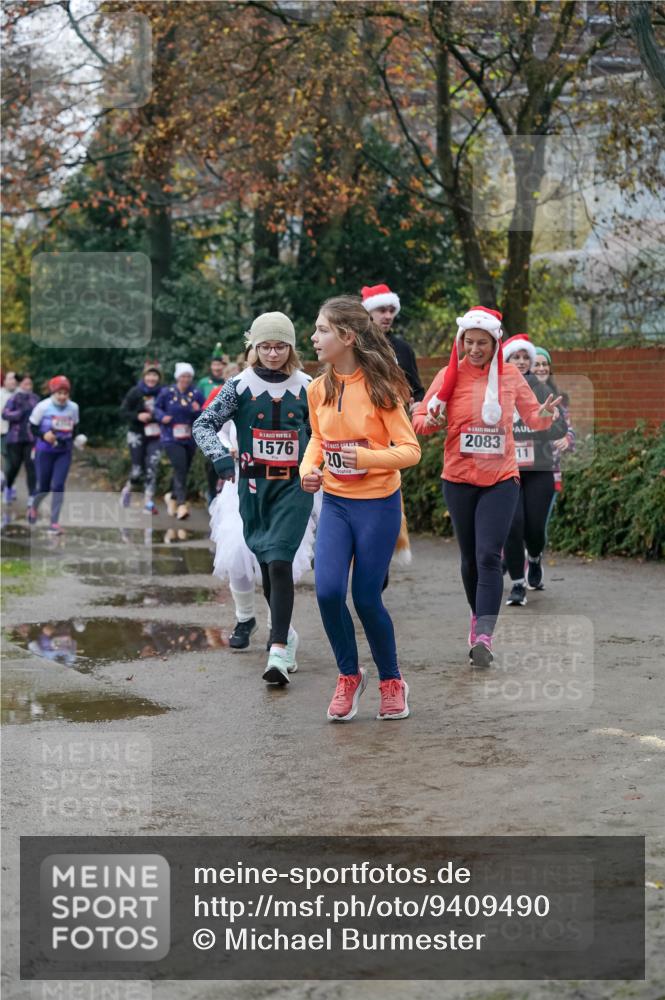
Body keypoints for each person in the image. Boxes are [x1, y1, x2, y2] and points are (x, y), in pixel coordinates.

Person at [413, 307, 562, 668]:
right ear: (461, 342)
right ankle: (476, 616)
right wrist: (429, 419)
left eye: (483, 342)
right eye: (470, 341)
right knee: (469, 560)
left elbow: (533, 420)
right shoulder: (449, 376)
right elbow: (419, 422)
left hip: (501, 479)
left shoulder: (510, 376)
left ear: (495, 343)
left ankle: (484, 635)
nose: (476, 348)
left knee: (488, 556)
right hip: (459, 479)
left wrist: (546, 414)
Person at [301, 295, 421, 722]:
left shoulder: (381, 388)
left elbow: (410, 451)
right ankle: (349, 676)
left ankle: (392, 681)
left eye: (321, 330)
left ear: (347, 337)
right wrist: (308, 469)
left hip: (378, 505)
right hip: (335, 503)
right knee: (329, 590)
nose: (313, 338)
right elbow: (317, 437)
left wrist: (365, 459)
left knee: (367, 598)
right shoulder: (318, 388)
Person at [193, 311, 313, 685]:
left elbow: (327, 430)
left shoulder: (310, 385)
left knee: (279, 561)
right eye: (265, 347)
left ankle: (278, 650)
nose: (273, 354)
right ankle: (285, 632)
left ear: (291, 347)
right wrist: (219, 456)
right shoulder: (238, 386)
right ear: (253, 348)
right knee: (264, 561)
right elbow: (203, 423)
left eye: (280, 346)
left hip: (294, 486)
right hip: (253, 487)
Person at [501, 335, 569, 605]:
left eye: (525, 357)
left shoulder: (541, 389)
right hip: (507, 471)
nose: (520, 362)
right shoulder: (496, 388)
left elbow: (560, 428)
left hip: (539, 469)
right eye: (515, 357)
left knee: (535, 529)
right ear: (506, 359)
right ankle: (518, 583)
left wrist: (547, 421)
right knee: (513, 526)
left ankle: (535, 557)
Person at [28, 375, 81, 534]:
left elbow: (75, 428)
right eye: (59, 393)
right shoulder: (43, 406)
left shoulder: (73, 407)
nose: (63, 396)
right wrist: (44, 436)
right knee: (43, 487)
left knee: (58, 486)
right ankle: (34, 507)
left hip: (63, 452)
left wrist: (76, 439)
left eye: (65, 393)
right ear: (53, 392)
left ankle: (54, 522)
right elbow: (32, 427)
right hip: (45, 451)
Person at [361, 284, 424, 407]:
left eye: (391, 311)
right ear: (368, 312)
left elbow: (416, 390)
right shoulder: (356, 346)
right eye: (382, 310)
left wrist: (417, 405)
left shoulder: (404, 349)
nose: (389, 316)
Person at [154, 363, 204, 520]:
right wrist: (162, 417)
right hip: (171, 437)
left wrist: (198, 410)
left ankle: (172, 497)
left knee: (182, 469)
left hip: (189, 439)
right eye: (183, 376)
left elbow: (205, 414)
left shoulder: (196, 393)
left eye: (188, 376)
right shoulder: (167, 392)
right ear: (177, 377)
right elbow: (156, 408)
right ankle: (182, 504)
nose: (186, 379)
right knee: (180, 467)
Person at [119, 360, 163, 514]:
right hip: (136, 434)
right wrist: (138, 416)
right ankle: (128, 489)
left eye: (155, 375)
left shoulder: (163, 392)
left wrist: (161, 416)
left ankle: (148, 501)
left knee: (153, 466)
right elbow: (123, 412)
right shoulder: (135, 392)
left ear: (159, 377)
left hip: (155, 434)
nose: (152, 378)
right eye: (149, 375)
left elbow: (169, 411)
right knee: (137, 470)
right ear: (144, 376)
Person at [2, 373, 39, 510]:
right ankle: (8, 486)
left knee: (31, 467)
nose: (28, 386)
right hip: (15, 439)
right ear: (20, 385)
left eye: (30, 384)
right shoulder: (14, 398)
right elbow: (5, 414)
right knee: (14, 467)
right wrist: (19, 413)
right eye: (25, 384)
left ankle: (32, 496)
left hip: (31, 439)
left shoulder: (36, 399)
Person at [198, 344, 228, 506]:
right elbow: (203, 409)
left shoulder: (241, 387)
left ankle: (222, 495)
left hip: (233, 434)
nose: (217, 368)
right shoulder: (213, 388)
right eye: (214, 364)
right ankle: (211, 492)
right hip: (215, 430)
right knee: (212, 464)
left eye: (220, 365)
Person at [0, 370, 17, 492]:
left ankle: (8, 483)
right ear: (4, 381)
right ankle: (7, 483)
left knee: (12, 460)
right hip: (3, 431)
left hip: (18, 434)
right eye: (10, 378)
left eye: (14, 378)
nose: (13, 381)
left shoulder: (21, 395)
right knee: (6, 457)